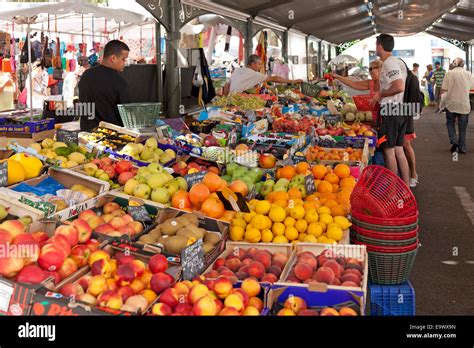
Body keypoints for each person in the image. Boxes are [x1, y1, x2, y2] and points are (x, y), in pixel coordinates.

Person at [371, 34, 410, 185]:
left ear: (380, 45)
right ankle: (405, 188)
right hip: (400, 109)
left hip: (391, 110)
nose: (376, 48)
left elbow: (399, 86)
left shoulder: (388, 63)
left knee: (389, 151)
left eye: (376, 45)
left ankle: (392, 193)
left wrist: (381, 94)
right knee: (399, 150)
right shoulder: (399, 62)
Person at [79, 40, 130, 131]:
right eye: (123, 59)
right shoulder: (119, 81)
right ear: (113, 58)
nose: (124, 63)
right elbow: (126, 115)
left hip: (87, 133)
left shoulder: (86, 75)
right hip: (111, 136)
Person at [332, 59, 382, 124]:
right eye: (370, 69)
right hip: (374, 116)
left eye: (373, 68)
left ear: (381, 69)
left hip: (385, 115)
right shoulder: (370, 83)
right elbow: (353, 84)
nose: (371, 71)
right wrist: (337, 76)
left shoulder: (387, 82)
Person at [223, 54, 302, 95]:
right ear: (253, 64)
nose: (260, 66)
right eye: (259, 64)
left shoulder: (237, 70)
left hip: (231, 100)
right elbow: (275, 78)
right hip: (239, 101)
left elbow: (226, 86)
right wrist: (293, 81)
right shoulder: (253, 74)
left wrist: (226, 99)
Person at [441, 58, 474, 154]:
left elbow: (444, 88)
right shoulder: (468, 74)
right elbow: (472, 87)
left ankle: (454, 141)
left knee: (450, 123)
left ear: (454, 64)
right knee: (462, 127)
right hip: (464, 104)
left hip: (451, 103)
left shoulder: (449, 73)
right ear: (463, 65)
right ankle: (462, 147)